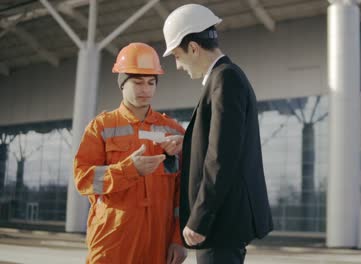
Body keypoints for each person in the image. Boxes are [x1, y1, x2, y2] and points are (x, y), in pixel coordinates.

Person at [162, 4, 273, 264]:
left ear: (193, 48)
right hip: (224, 222)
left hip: (221, 223)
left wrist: (199, 218)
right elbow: (219, 144)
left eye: (177, 56)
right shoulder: (224, 78)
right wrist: (187, 143)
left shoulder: (225, 80)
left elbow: (221, 158)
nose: (177, 66)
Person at [73, 42, 187, 264]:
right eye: (137, 82)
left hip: (159, 244)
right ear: (122, 84)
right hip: (112, 241)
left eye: (151, 82)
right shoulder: (101, 127)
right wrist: (128, 170)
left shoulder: (174, 132)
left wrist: (178, 239)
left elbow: (182, 193)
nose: (145, 89)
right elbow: (83, 180)